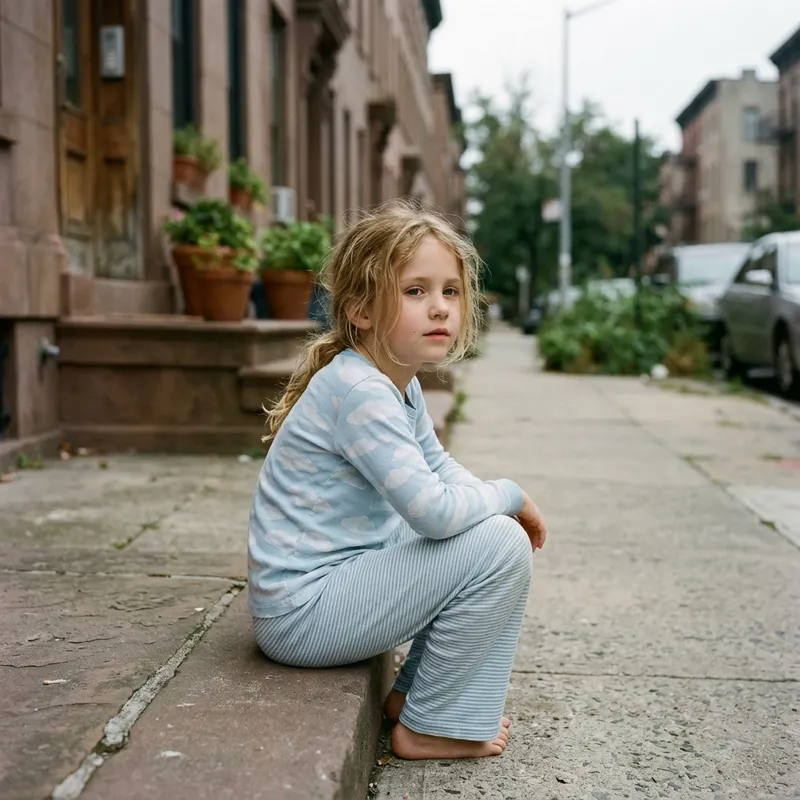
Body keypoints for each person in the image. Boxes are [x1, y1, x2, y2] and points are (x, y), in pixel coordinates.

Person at [248, 201, 547, 760]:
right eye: (415, 292)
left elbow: (438, 468)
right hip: (303, 614)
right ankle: (431, 725)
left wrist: (494, 500)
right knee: (498, 544)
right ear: (360, 309)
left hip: (322, 597)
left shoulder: (393, 382)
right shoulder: (363, 392)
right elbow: (433, 511)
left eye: (450, 292)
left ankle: (408, 697)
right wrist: (508, 495)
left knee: (483, 532)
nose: (439, 308)